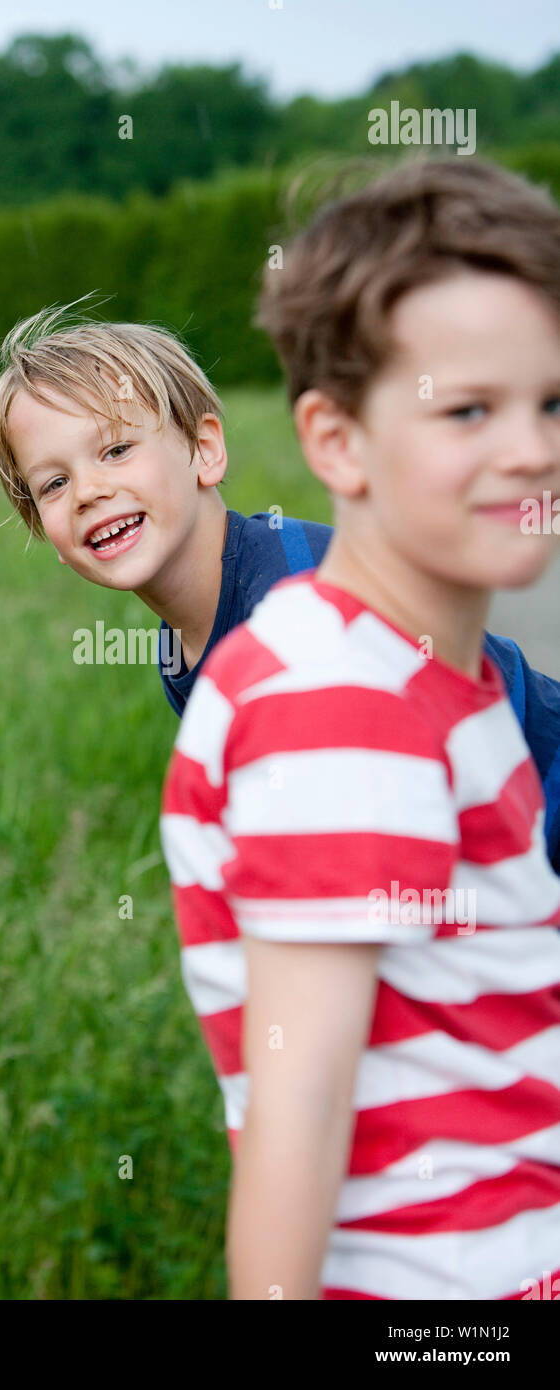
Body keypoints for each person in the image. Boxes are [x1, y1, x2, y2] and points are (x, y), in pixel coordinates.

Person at [159, 155, 560, 1300]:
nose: (529, 447)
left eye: (550, 400)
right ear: (334, 442)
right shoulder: (338, 709)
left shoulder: (438, 677)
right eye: (469, 409)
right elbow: (297, 1111)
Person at [0, 305, 560, 869]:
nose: (87, 490)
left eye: (116, 449)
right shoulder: (187, 636)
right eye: (54, 483)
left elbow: (375, 843)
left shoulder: (300, 616)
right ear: (45, 532)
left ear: (204, 451)